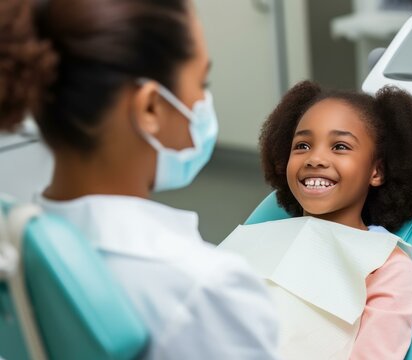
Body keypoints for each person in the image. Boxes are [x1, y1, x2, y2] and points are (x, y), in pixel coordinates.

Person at [0, 0, 280, 359]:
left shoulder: (17, 242)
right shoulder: (205, 288)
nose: (203, 101)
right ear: (150, 108)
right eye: (200, 82)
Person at [227, 80, 412, 359]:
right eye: (302, 145)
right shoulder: (263, 236)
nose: (315, 158)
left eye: (339, 146)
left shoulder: (386, 268)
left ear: (376, 171)